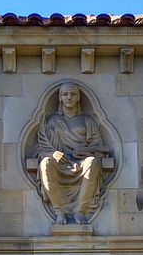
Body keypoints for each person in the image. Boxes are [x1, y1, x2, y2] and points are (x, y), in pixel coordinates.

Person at [36, 83, 110, 224]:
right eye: (65, 94)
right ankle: (59, 212)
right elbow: (39, 151)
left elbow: (101, 148)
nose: (69, 97)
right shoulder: (52, 122)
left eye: (73, 94)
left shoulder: (87, 121)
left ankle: (80, 210)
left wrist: (85, 152)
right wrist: (52, 154)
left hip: (82, 163)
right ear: (60, 98)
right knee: (46, 163)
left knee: (93, 162)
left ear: (78, 98)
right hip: (60, 165)